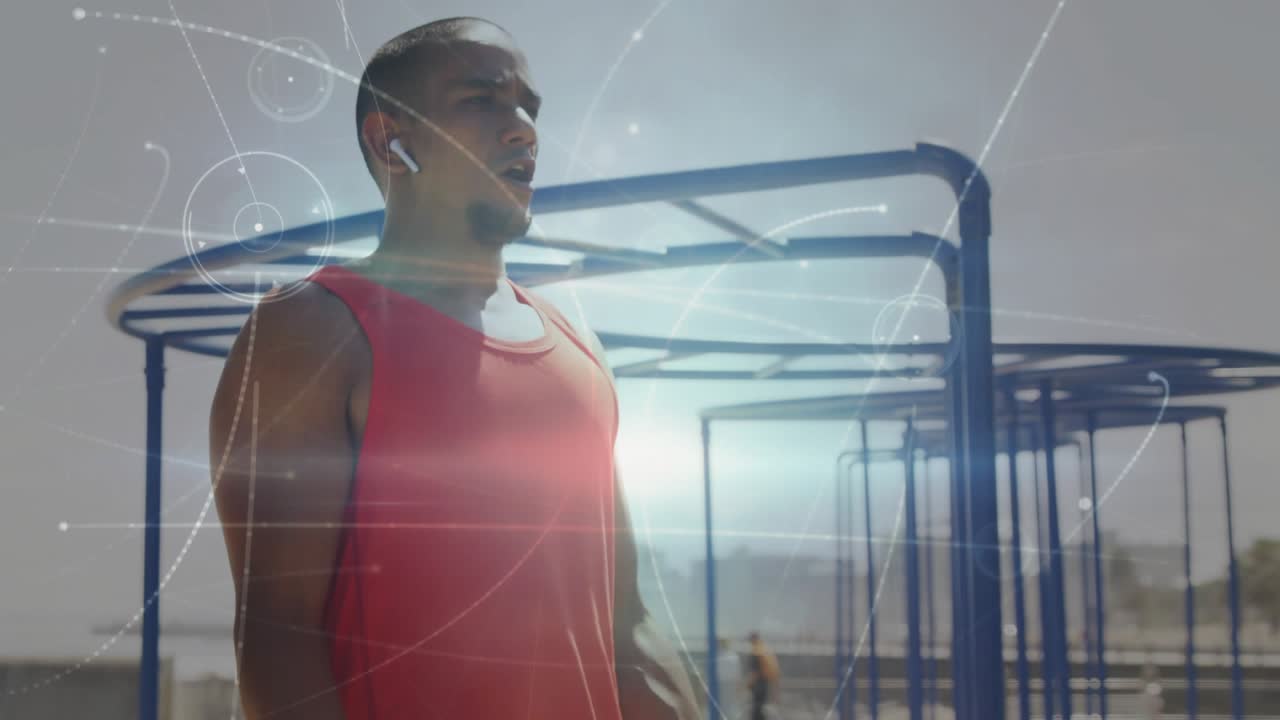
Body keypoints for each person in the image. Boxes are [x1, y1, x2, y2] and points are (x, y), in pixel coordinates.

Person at [209, 17, 699, 720]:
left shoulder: (579, 346)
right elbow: (277, 637)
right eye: (482, 100)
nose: (524, 128)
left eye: (529, 107)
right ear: (389, 140)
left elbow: (632, 620)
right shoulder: (309, 332)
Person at [745, 632, 780, 720]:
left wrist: (749, 684)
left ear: (752, 640)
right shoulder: (764, 649)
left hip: (759, 684)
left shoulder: (756, 652)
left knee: (756, 709)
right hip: (765, 682)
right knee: (759, 708)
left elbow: (755, 672)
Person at [715, 637, 744, 720]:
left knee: (723, 704)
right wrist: (738, 687)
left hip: (722, 683)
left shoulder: (718, 656)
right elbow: (737, 674)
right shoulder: (733, 656)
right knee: (730, 704)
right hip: (730, 683)